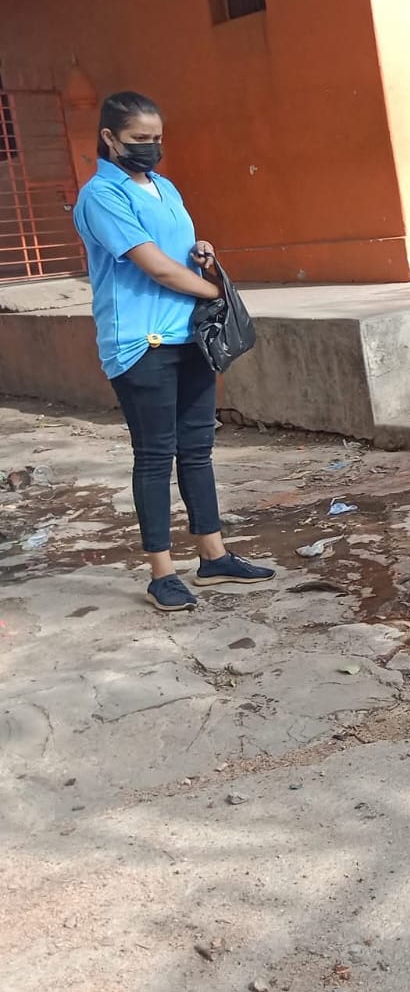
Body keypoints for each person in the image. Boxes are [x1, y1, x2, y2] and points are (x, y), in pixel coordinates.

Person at [71, 91, 275, 612]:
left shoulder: (163, 186)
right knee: (156, 455)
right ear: (109, 138)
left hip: (188, 337)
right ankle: (161, 571)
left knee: (198, 450)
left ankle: (213, 555)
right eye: (139, 139)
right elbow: (154, 267)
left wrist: (201, 251)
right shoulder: (101, 195)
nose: (151, 148)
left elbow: (175, 252)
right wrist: (217, 293)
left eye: (156, 138)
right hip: (142, 343)